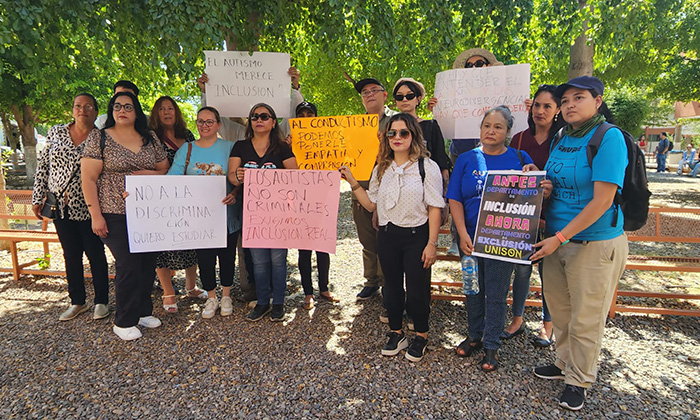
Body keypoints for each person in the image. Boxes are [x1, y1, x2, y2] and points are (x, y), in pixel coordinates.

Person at [530, 76, 628, 411]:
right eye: (566, 100)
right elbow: (558, 181)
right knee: (561, 310)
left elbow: (601, 201)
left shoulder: (608, 137)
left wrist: (558, 238)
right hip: (556, 241)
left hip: (592, 243)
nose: (570, 105)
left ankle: (579, 380)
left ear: (598, 101)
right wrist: (540, 182)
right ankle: (563, 363)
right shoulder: (562, 136)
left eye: (579, 98)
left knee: (587, 316)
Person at [340, 113, 444, 362]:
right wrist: (353, 181)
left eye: (403, 133)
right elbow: (372, 205)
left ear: (413, 136)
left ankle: (421, 335)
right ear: (386, 137)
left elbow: (435, 207)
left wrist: (432, 244)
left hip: (417, 236)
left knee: (418, 290)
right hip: (387, 235)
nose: (397, 137)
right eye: (392, 133)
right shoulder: (381, 168)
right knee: (392, 289)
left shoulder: (426, 167)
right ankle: (396, 332)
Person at [447, 106, 534, 372]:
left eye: (498, 127)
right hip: (470, 238)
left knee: (496, 292)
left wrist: (537, 179)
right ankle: (474, 335)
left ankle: (492, 345)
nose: (491, 131)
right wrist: (461, 234)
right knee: (472, 288)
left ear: (508, 131)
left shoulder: (520, 158)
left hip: (501, 238)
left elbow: (534, 197)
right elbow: (455, 198)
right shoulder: (466, 158)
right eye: (487, 125)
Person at [81, 91, 169, 341]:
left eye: (128, 106)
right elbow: (88, 178)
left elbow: (163, 169)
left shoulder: (149, 138)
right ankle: (123, 320)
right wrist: (95, 215)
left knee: (146, 263)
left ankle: (142, 312)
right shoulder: (99, 138)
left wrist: (144, 174)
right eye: (117, 106)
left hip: (147, 211)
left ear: (136, 111)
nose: (122, 110)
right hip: (113, 211)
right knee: (128, 263)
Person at [32, 93, 110, 322]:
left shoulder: (101, 138)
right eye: (78, 106)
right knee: (71, 255)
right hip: (60, 207)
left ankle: (101, 301)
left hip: (89, 207)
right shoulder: (56, 132)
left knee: (96, 254)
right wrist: (38, 198)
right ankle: (77, 301)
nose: (82, 110)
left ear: (95, 112)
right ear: (72, 109)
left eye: (88, 107)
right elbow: (43, 166)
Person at [426, 48, 505, 256]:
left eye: (479, 64)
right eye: (469, 65)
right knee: (458, 194)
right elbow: (443, 124)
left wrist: (526, 108)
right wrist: (436, 108)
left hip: (493, 154)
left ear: (488, 67)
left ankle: (494, 236)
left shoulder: (501, 92)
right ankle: (457, 237)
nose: (474, 68)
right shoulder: (456, 92)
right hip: (461, 152)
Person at [504, 84, 566, 348]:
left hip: (552, 215)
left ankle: (548, 324)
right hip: (523, 215)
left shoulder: (564, 139)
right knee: (520, 269)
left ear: (557, 110)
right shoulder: (518, 139)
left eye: (547, 106)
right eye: (537, 105)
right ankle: (517, 319)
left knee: (549, 272)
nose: (540, 111)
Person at [167, 106, 240, 319]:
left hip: (227, 214)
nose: (204, 125)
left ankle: (226, 295)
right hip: (198, 218)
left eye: (209, 121)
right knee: (205, 258)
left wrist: (235, 192)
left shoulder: (231, 147)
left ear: (218, 124)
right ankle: (211, 297)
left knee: (227, 257)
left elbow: (241, 177)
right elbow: (171, 179)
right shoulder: (187, 149)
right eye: (200, 121)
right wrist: (139, 191)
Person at [229, 103, 298, 322]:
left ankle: (278, 303)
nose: (259, 119)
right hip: (251, 213)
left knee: (278, 259)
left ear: (273, 121)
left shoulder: (282, 148)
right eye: (254, 116)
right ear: (249, 121)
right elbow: (232, 175)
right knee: (258, 261)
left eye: (264, 116)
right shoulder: (240, 146)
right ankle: (262, 302)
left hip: (278, 214)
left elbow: (295, 175)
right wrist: (238, 176)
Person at [148, 96, 205, 313]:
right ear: (156, 113)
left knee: (191, 240)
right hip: (160, 198)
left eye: (170, 108)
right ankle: (168, 291)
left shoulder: (188, 136)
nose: (166, 112)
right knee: (161, 244)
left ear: (176, 112)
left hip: (188, 197)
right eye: (162, 109)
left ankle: (191, 286)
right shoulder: (150, 138)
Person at [353, 78, 397, 301]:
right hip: (360, 187)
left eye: (373, 91)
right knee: (367, 238)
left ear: (385, 95)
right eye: (364, 93)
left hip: (389, 189)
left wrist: (385, 144)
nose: (369, 95)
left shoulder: (396, 122)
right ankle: (372, 281)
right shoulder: (355, 125)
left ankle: (390, 281)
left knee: (388, 238)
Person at [293, 101, 339, 310]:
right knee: (304, 250)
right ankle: (308, 293)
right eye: (300, 115)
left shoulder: (326, 141)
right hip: (300, 201)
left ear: (316, 117)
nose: (305, 118)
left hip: (323, 199)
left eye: (309, 114)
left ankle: (324, 288)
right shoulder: (289, 142)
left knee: (323, 247)